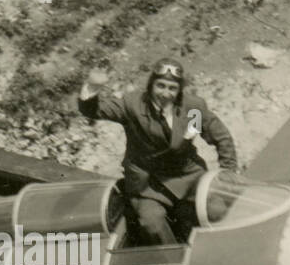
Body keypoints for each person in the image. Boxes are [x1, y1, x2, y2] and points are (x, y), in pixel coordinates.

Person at [77, 58, 240, 246]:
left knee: (217, 210)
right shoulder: (132, 105)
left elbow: (221, 137)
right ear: (151, 85)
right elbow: (94, 110)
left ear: (179, 90)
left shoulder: (192, 108)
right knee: (151, 223)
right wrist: (93, 87)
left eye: (172, 88)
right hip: (148, 184)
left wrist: (228, 175)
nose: (165, 93)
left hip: (188, 176)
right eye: (160, 86)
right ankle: (176, 261)